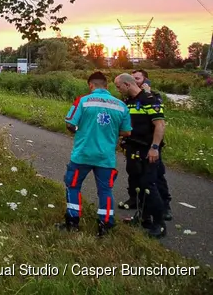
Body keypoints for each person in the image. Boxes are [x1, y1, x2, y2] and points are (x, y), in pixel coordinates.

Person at [57, 71, 132, 237]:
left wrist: (80, 130)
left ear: (91, 85)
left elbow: (70, 124)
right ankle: (105, 224)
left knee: (73, 186)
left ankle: (73, 221)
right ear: (106, 85)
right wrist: (110, 133)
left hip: (82, 154)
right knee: (105, 190)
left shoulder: (83, 101)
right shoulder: (121, 106)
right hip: (106, 157)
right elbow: (127, 132)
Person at [114, 73, 167, 238]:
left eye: (118, 86)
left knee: (149, 184)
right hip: (133, 148)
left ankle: (159, 223)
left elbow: (160, 125)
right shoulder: (128, 102)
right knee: (137, 184)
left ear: (127, 85)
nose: (118, 89)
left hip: (148, 149)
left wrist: (155, 147)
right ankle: (144, 218)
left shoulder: (149, 100)